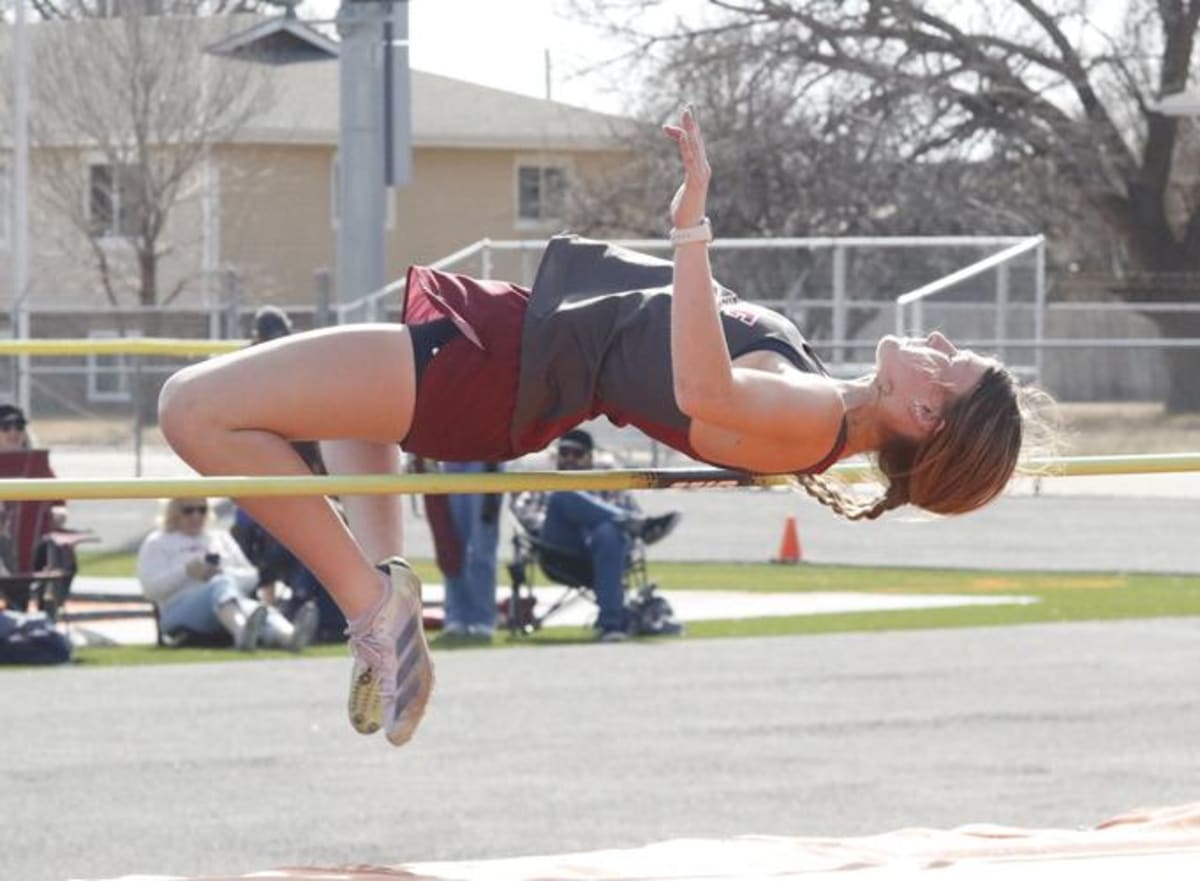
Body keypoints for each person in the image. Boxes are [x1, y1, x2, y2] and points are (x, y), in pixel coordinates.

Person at [157, 106, 1042, 747]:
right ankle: (386, 583)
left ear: (925, 413)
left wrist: (690, 226)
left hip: (501, 372)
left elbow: (704, 385)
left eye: (948, 360)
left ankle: (371, 607)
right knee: (298, 413)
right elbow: (697, 369)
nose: (936, 340)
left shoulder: (811, 416)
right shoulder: (818, 400)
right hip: (517, 356)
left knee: (192, 409)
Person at [512, 429, 679, 641]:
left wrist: (598, 521)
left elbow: (629, 511)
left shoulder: (608, 480)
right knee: (563, 494)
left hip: (604, 552)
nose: (569, 459)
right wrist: (578, 515)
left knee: (609, 533)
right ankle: (636, 525)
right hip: (560, 551)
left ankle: (611, 626)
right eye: (564, 453)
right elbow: (526, 515)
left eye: (577, 454)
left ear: (590, 458)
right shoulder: (543, 482)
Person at [137, 497, 318, 652]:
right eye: (188, 510)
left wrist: (224, 571)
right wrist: (186, 572)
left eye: (202, 510)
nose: (196, 516)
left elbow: (251, 576)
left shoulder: (219, 538)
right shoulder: (157, 542)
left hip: (229, 601)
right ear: (174, 512)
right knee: (220, 585)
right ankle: (241, 633)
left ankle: (288, 636)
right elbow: (151, 590)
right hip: (177, 609)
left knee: (257, 609)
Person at [423, 460, 503, 644]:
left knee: (482, 548)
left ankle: (483, 620)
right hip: (450, 460)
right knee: (450, 548)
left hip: (486, 459)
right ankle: (456, 618)